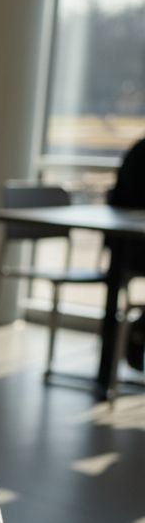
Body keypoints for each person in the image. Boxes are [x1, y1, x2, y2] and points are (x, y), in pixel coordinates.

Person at [108, 136, 145, 369]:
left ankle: (140, 329)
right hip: (132, 248)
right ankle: (140, 329)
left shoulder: (139, 150)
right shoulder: (141, 153)